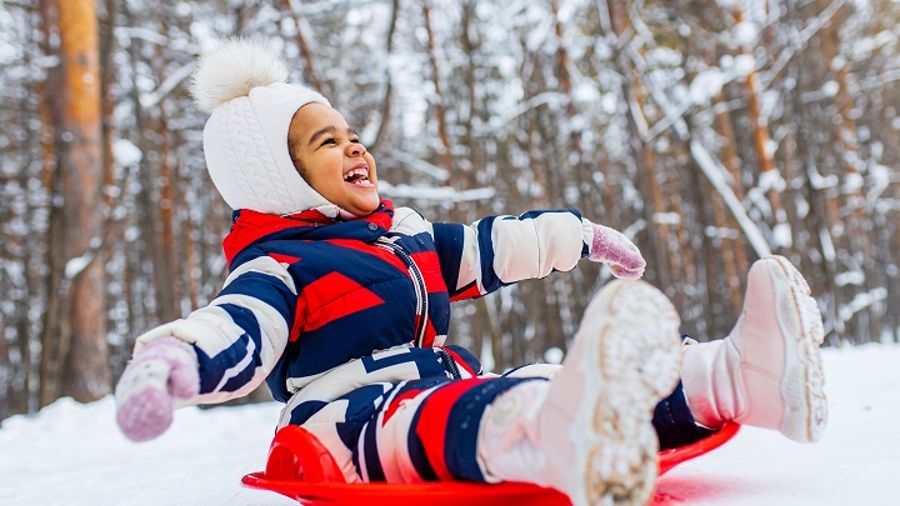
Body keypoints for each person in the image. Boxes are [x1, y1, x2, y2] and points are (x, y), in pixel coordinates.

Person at [114, 39, 827, 506]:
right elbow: (234, 327)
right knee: (474, 411)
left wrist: (577, 235)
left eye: (353, 134)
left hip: (439, 389)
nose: (355, 147)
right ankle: (554, 437)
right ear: (276, 177)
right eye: (326, 142)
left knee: (540, 382)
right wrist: (169, 361)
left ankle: (736, 377)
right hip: (347, 425)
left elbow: (490, 245)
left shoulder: (401, 238)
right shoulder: (280, 265)